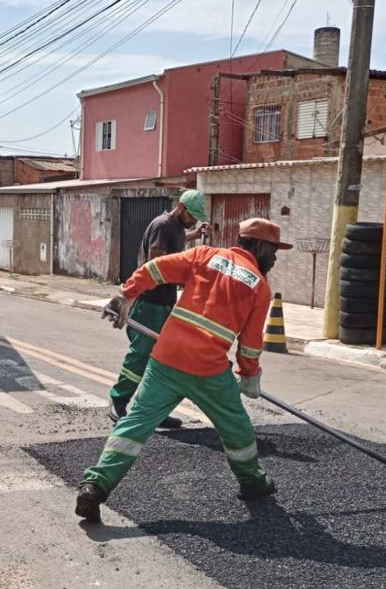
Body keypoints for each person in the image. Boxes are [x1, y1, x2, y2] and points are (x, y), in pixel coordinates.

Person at [76, 217, 293, 523]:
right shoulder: (259, 285)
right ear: (258, 246)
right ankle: (253, 482)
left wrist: (127, 295)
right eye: (273, 250)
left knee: (134, 424)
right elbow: (251, 343)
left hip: (166, 358)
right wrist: (249, 375)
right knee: (236, 427)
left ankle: (95, 486)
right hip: (208, 369)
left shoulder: (205, 255)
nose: (274, 257)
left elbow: (156, 268)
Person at [108, 189, 210, 429]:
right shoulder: (163, 225)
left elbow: (175, 244)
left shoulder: (175, 227)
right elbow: (156, 264)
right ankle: (118, 401)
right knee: (141, 354)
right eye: (192, 217)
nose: (194, 220)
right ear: (181, 208)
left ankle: (154, 410)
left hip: (164, 303)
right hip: (149, 302)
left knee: (164, 358)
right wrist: (187, 277)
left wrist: (194, 234)